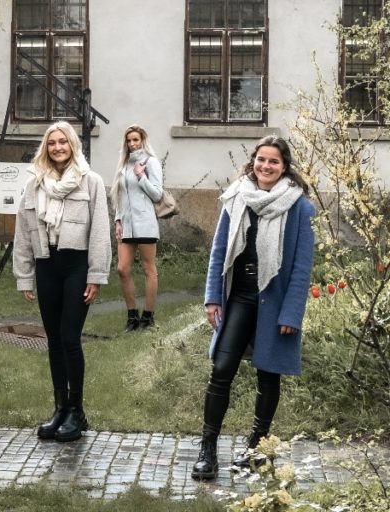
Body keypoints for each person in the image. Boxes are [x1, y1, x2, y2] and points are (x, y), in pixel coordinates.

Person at [191, 136, 315, 481]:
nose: (266, 166)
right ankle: (208, 449)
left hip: (274, 301)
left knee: (267, 373)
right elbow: (219, 252)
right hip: (239, 297)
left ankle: (256, 450)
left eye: (274, 162)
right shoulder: (236, 197)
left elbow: (303, 266)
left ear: (284, 166)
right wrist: (213, 297)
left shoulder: (300, 207)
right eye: (262, 160)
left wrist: (291, 313)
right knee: (222, 369)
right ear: (253, 161)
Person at [13, 121, 111, 443]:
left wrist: (96, 275)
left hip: (76, 266)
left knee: (70, 337)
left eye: (63, 142)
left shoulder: (90, 181)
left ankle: (77, 412)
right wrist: (24, 276)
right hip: (46, 265)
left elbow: (99, 231)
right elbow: (23, 233)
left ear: (72, 146)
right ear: (46, 147)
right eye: (52, 143)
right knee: (53, 339)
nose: (57, 148)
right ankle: (59, 408)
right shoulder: (34, 185)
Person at [110, 124, 164, 332]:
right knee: (122, 269)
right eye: (129, 140)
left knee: (149, 269)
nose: (132, 144)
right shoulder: (123, 165)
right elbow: (120, 197)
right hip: (127, 226)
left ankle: (148, 317)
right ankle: (132, 316)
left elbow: (157, 195)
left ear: (142, 140)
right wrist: (117, 221)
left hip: (146, 224)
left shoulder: (151, 162)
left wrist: (142, 176)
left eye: (135, 140)